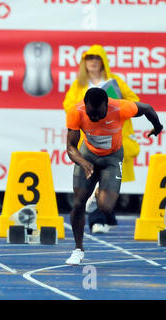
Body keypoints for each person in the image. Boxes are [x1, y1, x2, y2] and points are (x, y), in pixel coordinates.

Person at [65, 87, 163, 265]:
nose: (94, 117)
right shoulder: (76, 111)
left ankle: (97, 194)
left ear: (106, 105)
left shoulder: (120, 108)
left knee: (106, 207)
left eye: (99, 114)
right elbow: (71, 147)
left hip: (112, 157)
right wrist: (83, 162)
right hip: (88, 155)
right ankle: (78, 249)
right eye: (91, 114)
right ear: (85, 105)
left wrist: (157, 127)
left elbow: (147, 108)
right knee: (78, 202)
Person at [63, 44, 141, 234]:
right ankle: (99, 220)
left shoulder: (115, 81)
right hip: (90, 141)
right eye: (89, 59)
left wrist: (116, 101)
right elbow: (69, 106)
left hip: (113, 140)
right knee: (92, 180)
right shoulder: (79, 84)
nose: (92, 62)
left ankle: (103, 217)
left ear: (103, 61)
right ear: (84, 62)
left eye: (96, 58)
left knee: (108, 183)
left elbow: (134, 101)